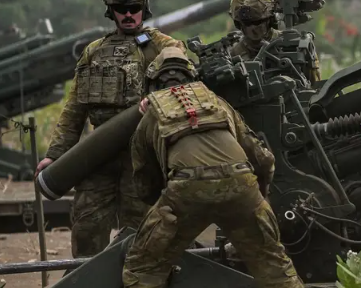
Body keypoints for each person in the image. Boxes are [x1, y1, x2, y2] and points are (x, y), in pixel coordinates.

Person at [35, 0, 186, 257]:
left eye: (134, 8)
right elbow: (75, 108)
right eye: (120, 9)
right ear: (110, 11)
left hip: (142, 158)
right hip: (97, 156)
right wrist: (55, 154)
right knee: (86, 230)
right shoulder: (93, 52)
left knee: (141, 235)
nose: (128, 15)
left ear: (145, 8)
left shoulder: (165, 48)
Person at [121, 47, 302, 288]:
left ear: (152, 84)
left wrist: (163, 215)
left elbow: (144, 184)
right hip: (242, 184)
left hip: (186, 190)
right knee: (276, 269)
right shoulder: (218, 103)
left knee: (142, 270)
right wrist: (259, 197)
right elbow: (264, 160)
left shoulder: (150, 115)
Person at [228, 0, 321, 84]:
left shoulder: (293, 45)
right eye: (247, 23)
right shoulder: (233, 53)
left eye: (258, 22)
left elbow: (315, 85)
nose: (253, 28)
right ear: (238, 24)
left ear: (270, 20)